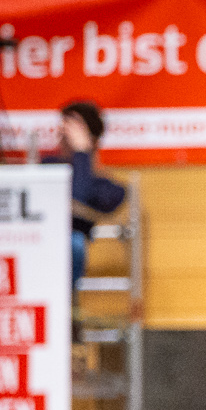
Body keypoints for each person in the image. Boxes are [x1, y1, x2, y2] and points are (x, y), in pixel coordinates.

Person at [44, 100, 127, 287]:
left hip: (68, 243)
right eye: (64, 131)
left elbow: (77, 196)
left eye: (74, 133)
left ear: (93, 140)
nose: (65, 137)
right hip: (35, 239)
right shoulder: (46, 168)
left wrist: (81, 153)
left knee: (74, 243)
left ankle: (66, 308)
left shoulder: (109, 187)